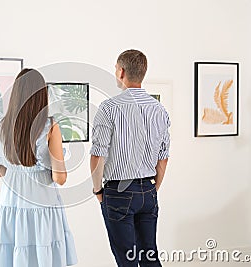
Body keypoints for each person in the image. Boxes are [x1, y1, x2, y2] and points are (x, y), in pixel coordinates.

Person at [0, 69, 77, 267]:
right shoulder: (50, 126)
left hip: (10, 206)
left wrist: (16, 169)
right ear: (41, 95)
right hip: (42, 207)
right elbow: (60, 178)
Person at [90, 49, 170, 267]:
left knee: (126, 260)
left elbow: (98, 155)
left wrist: (98, 190)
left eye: (116, 68)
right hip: (148, 191)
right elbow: (163, 157)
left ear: (121, 71)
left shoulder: (109, 108)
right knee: (149, 257)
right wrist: (153, 189)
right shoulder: (159, 110)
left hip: (118, 192)